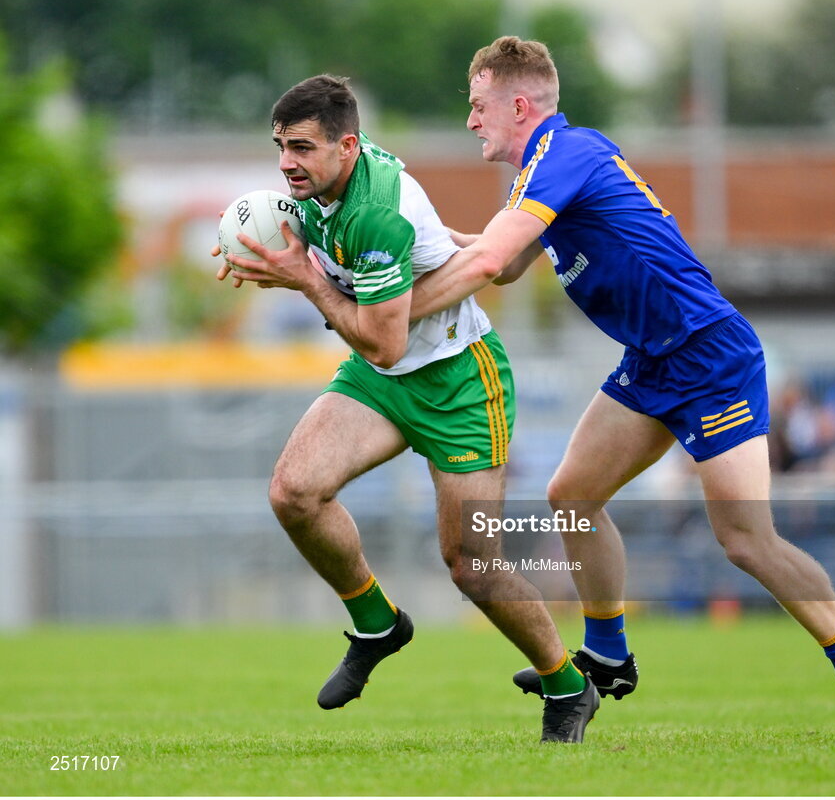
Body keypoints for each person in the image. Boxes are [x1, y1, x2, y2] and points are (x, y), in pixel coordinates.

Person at [409, 37, 835, 743]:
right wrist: (414, 248)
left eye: (477, 105)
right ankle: (608, 651)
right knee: (572, 493)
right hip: (652, 359)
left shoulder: (565, 154)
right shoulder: (546, 168)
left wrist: (391, 309)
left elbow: (489, 257)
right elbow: (507, 260)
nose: (470, 121)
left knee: (745, 539)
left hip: (709, 355)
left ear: (519, 105)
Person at [213, 74, 598, 743]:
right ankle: (377, 621)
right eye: (280, 147)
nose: (286, 163)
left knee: (472, 565)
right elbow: (374, 342)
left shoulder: (377, 213)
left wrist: (303, 278)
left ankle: (568, 685)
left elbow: (383, 343)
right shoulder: (320, 187)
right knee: (293, 491)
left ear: (347, 146)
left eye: (301, 147)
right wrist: (254, 243)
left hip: (458, 382)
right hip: (382, 380)